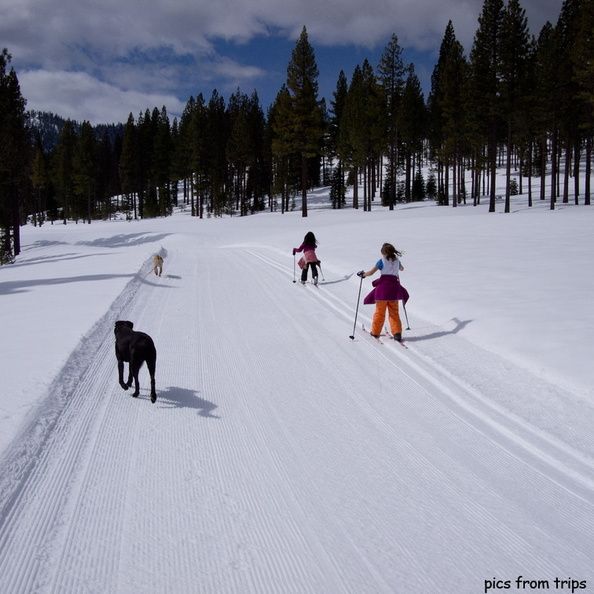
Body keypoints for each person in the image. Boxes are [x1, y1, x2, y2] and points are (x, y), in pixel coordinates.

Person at [357, 243, 408, 341]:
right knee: (394, 312)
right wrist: (396, 268)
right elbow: (402, 269)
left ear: (384, 253)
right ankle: (397, 333)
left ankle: (375, 332)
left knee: (380, 312)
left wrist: (363, 274)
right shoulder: (397, 261)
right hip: (394, 291)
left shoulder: (381, 261)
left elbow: (371, 272)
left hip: (382, 292)